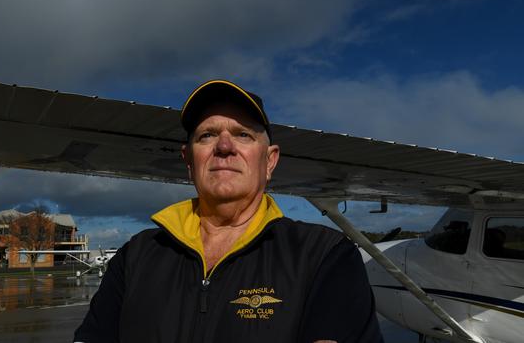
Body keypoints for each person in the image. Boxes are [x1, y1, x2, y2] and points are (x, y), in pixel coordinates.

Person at [74, 80, 383, 343]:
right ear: (188, 160)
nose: (224, 146)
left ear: (270, 161)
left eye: (243, 134)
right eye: (206, 135)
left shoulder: (325, 256)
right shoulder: (135, 257)